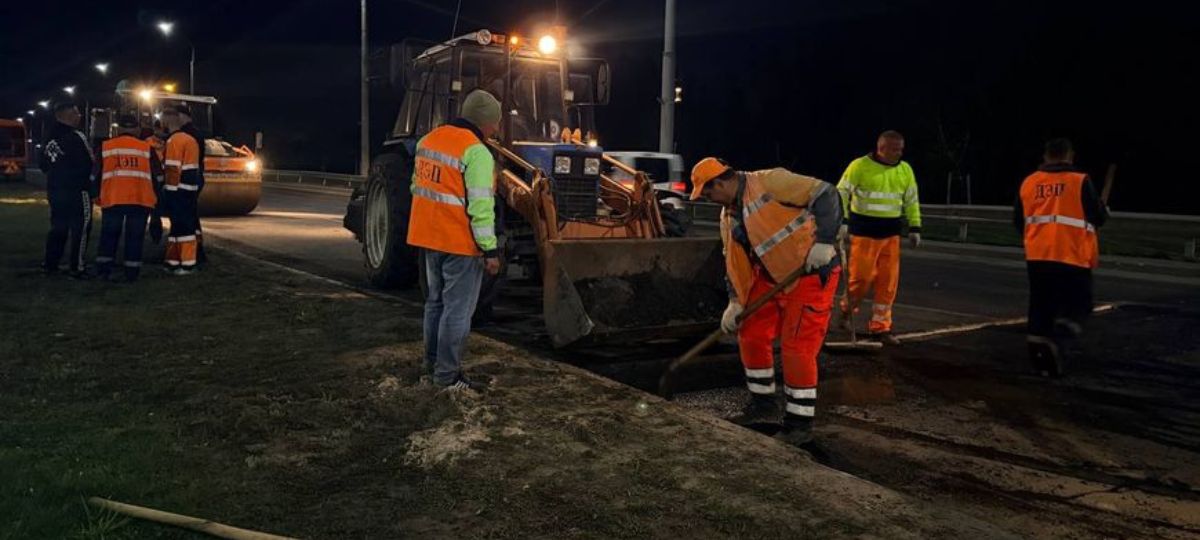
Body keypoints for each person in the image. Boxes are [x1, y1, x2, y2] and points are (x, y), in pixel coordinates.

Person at [689, 157, 842, 447]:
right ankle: (763, 407)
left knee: (796, 348)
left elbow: (827, 194)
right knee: (751, 333)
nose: (709, 199)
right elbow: (736, 264)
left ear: (720, 182)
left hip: (809, 272)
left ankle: (799, 424)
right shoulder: (728, 216)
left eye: (708, 193)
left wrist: (824, 241)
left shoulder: (771, 181)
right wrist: (736, 302)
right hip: (772, 276)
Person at [406, 89, 503, 391]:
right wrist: (490, 249)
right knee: (457, 311)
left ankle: (431, 363)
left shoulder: (428, 141)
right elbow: (481, 207)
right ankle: (447, 377)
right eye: (496, 123)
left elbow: (416, 188)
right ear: (486, 123)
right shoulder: (477, 153)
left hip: (427, 238)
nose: (497, 129)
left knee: (434, 304)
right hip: (459, 244)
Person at [1014, 138, 1107, 376]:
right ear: (1070, 155)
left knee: (1041, 304)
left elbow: (1018, 220)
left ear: (1046, 156)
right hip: (1072, 254)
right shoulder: (1079, 181)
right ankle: (1059, 338)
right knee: (1079, 305)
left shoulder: (1030, 182)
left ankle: (1039, 353)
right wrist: (1103, 211)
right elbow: (1097, 216)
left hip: (1038, 255)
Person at [836, 130, 922, 345]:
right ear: (881, 148)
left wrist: (915, 227)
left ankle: (881, 327)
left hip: (891, 235)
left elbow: (911, 200)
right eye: (895, 149)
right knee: (861, 280)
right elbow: (842, 192)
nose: (899, 153)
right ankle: (846, 310)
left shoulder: (905, 170)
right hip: (864, 233)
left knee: (888, 283)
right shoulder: (859, 166)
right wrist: (843, 221)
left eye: (901, 149)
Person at [94, 115, 161, 282]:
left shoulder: (105, 147)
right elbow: (158, 177)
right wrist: (158, 201)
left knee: (109, 235)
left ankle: (104, 270)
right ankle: (132, 273)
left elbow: (95, 175)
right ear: (137, 129)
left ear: (119, 129)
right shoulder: (147, 149)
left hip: (112, 198)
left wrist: (95, 195)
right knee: (135, 237)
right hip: (140, 200)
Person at [40, 100, 95, 277]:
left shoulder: (48, 137)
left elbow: (43, 165)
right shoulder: (76, 137)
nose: (80, 116)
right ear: (69, 116)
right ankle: (77, 266)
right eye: (77, 113)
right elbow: (89, 162)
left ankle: (51, 263)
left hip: (55, 190)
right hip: (77, 190)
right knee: (81, 228)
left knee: (58, 226)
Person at [160, 103, 205, 275]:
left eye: (162, 117)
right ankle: (174, 261)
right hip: (188, 189)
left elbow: (172, 170)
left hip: (178, 191)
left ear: (170, 117)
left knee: (182, 228)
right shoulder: (190, 138)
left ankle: (187, 264)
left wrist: (168, 192)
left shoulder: (175, 141)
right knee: (181, 227)